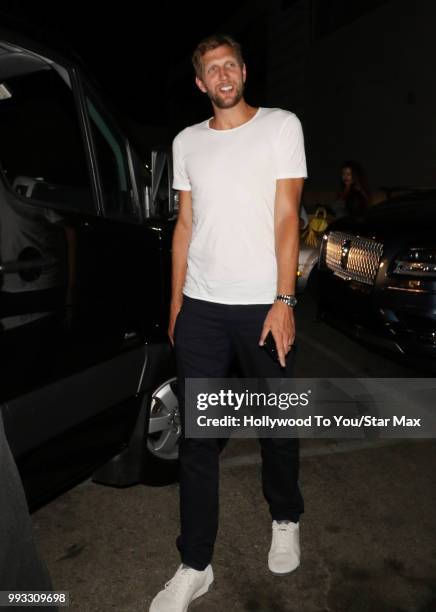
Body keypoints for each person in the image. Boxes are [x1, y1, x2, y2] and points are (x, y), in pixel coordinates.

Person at [149, 34, 307, 612]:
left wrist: (284, 299)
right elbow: (185, 225)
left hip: (263, 304)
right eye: (210, 69)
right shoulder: (187, 141)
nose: (221, 75)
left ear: (243, 71)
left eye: (229, 66)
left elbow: (288, 214)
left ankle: (286, 517)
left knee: (275, 424)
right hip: (202, 308)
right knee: (198, 438)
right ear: (200, 82)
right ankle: (195, 563)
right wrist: (175, 305)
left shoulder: (280, 126)